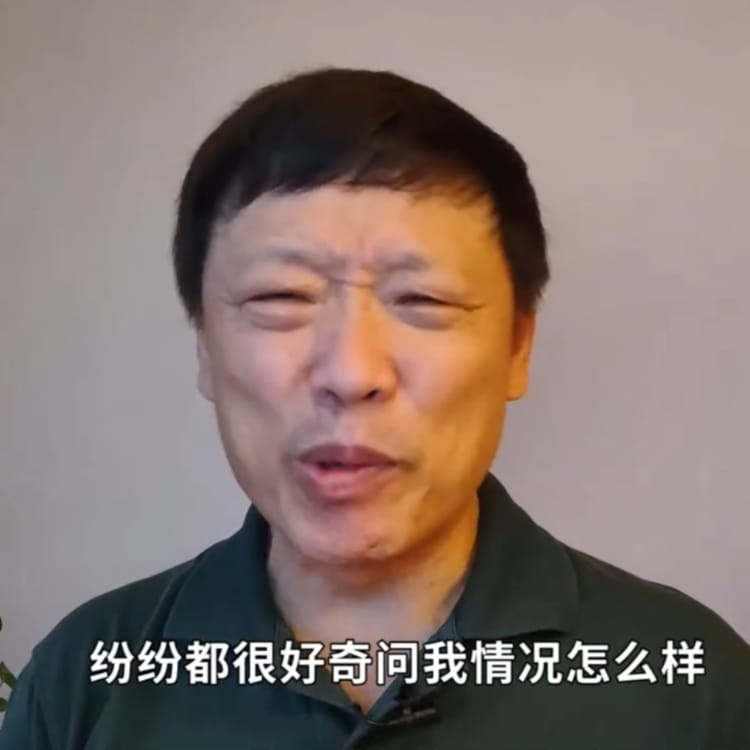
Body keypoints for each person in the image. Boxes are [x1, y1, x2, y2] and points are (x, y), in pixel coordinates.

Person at [1, 66, 748, 750]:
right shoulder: (87, 684)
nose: (351, 372)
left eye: (422, 300)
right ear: (205, 344)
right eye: (279, 298)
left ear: (517, 347)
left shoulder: (691, 689)